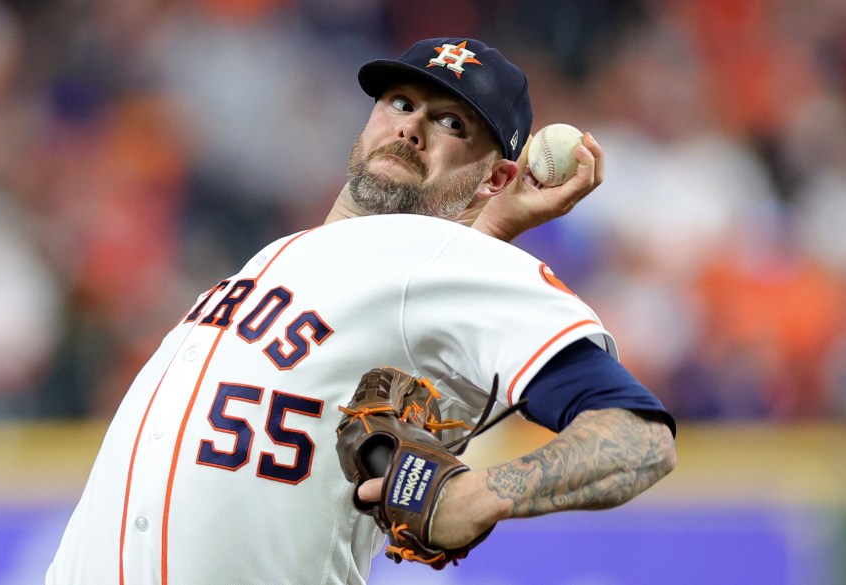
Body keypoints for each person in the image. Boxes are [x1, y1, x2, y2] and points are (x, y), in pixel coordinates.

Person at [46, 37, 676, 585]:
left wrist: (478, 496)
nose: (411, 127)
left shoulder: (458, 266)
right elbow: (392, 284)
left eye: (452, 123)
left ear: (495, 177)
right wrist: (485, 228)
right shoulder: (292, 255)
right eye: (401, 103)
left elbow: (639, 437)